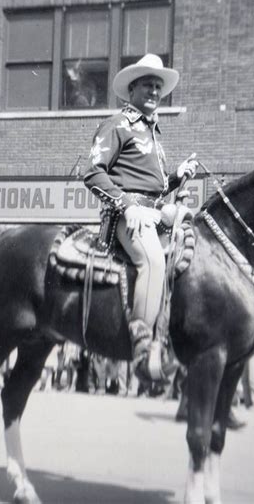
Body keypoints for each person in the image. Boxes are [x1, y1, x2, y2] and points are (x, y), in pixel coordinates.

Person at [84, 53, 198, 370]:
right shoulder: (117, 124)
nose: (154, 92)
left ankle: (174, 337)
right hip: (127, 215)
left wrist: (177, 175)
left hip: (155, 211)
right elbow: (93, 173)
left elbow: (157, 189)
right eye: (147, 85)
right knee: (152, 261)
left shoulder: (152, 133)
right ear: (132, 89)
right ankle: (142, 345)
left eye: (158, 86)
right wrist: (127, 205)